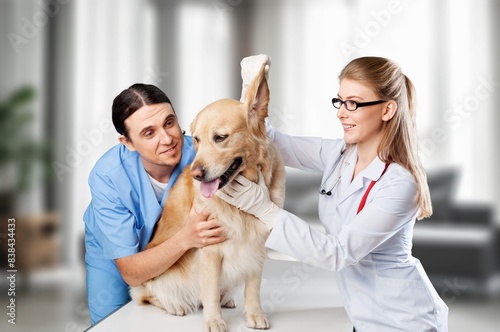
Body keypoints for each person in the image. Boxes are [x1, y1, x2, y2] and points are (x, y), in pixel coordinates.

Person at [217, 55, 449, 331]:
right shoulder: (339, 154)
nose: (341, 112)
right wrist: (250, 92)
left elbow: (337, 254)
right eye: (340, 101)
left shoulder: (399, 184)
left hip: (405, 321)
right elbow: (274, 142)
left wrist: (264, 209)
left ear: (387, 110)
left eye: (354, 103)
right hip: (362, 320)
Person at [83, 83, 229, 325]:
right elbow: (130, 272)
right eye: (149, 133)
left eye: (169, 123)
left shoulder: (202, 154)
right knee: (112, 323)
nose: (168, 139)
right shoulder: (107, 177)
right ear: (127, 142)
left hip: (182, 247)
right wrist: (186, 237)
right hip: (115, 253)